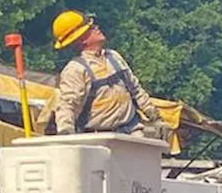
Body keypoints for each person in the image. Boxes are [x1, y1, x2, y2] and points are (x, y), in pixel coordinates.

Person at [50, 10, 171, 141]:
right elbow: (67, 105)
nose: (97, 28)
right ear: (82, 39)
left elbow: (136, 90)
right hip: (99, 139)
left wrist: (156, 119)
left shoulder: (114, 57)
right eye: (90, 28)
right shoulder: (76, 69)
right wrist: (66, 132)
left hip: (132, 132)